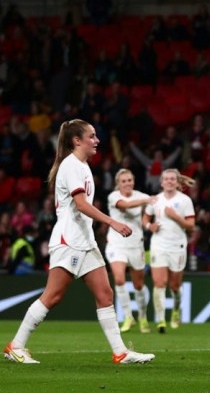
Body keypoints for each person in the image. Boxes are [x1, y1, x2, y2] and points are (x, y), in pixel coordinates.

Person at [4, 119, 154, 364]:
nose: (97, 141)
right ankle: (16, 346)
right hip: (69, 239)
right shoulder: (71, 165)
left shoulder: (81, 165)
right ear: (77, 141)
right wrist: (112, 222)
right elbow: (81, 204)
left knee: (105, 295)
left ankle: (120, 352)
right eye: (92, 136)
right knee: (53, 296)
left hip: (85, 240)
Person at [142, 168, 196, 334]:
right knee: (159, 283)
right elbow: (145, 218)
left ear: (178, 182)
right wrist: (149, 226)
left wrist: (175, 216)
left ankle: (176, 310)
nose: (170, 181)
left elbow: (191, 226)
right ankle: (160, 320)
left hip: (178, 246)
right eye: (167, 179)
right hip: (158, 245)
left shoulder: (185, 200)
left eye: (173, 179)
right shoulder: (155, 200)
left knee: (174, 286)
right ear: (161, 182)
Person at [106, 169, 153, 333]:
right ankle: (128, 316)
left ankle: (142, 317)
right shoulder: (113, 197)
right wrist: (147, 200)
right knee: (119, 279)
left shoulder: (140, 195)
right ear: (118, 184)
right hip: (116, 244)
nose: (127, 183)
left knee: (138, 285)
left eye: (129, 180)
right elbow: (125, 205)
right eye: (123, 181)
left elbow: (153, 207)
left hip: (135, 245)